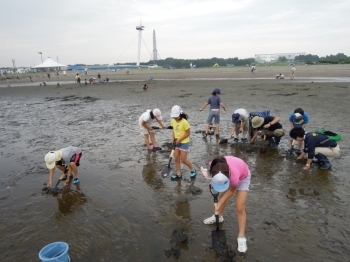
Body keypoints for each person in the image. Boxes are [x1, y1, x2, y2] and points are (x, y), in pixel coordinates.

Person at [202, 156, 251, 253]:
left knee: (239, 207)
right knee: (221, 196)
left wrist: (220, 203)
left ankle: (241, 236)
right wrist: (214, 182)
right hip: (226, 175)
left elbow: (231, 190)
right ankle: (219, 217)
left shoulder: (234, 178)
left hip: (243, 176)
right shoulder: (215, 165)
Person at [170, 105, 196, 179]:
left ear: (180, 114)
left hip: (184, 143)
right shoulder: (172, 121)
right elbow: (174, 131)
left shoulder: (184, 122)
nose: (175, 118)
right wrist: (172, 138)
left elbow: (188, 133)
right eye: (174, 116)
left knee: (183, 160)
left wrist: (179, 139)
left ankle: (193, 170)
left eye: (176, 116)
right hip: (176, 142)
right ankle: (179, 174)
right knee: (176, 159)